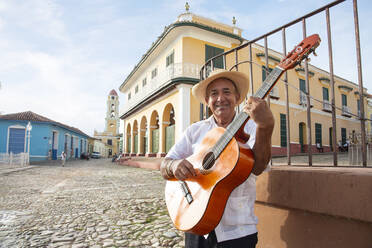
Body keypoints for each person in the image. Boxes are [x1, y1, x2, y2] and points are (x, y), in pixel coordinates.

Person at [159, 69, 274, 248]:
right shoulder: (194, 131)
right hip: (195, 224)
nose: (220, 98)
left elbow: (258, 167)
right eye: (214, 94)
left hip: (237, 231)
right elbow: (165, 164)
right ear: (207, 101)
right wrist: (174, 166)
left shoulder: (253, 127)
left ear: (237, 98)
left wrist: (265, 127)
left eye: (226, 92)